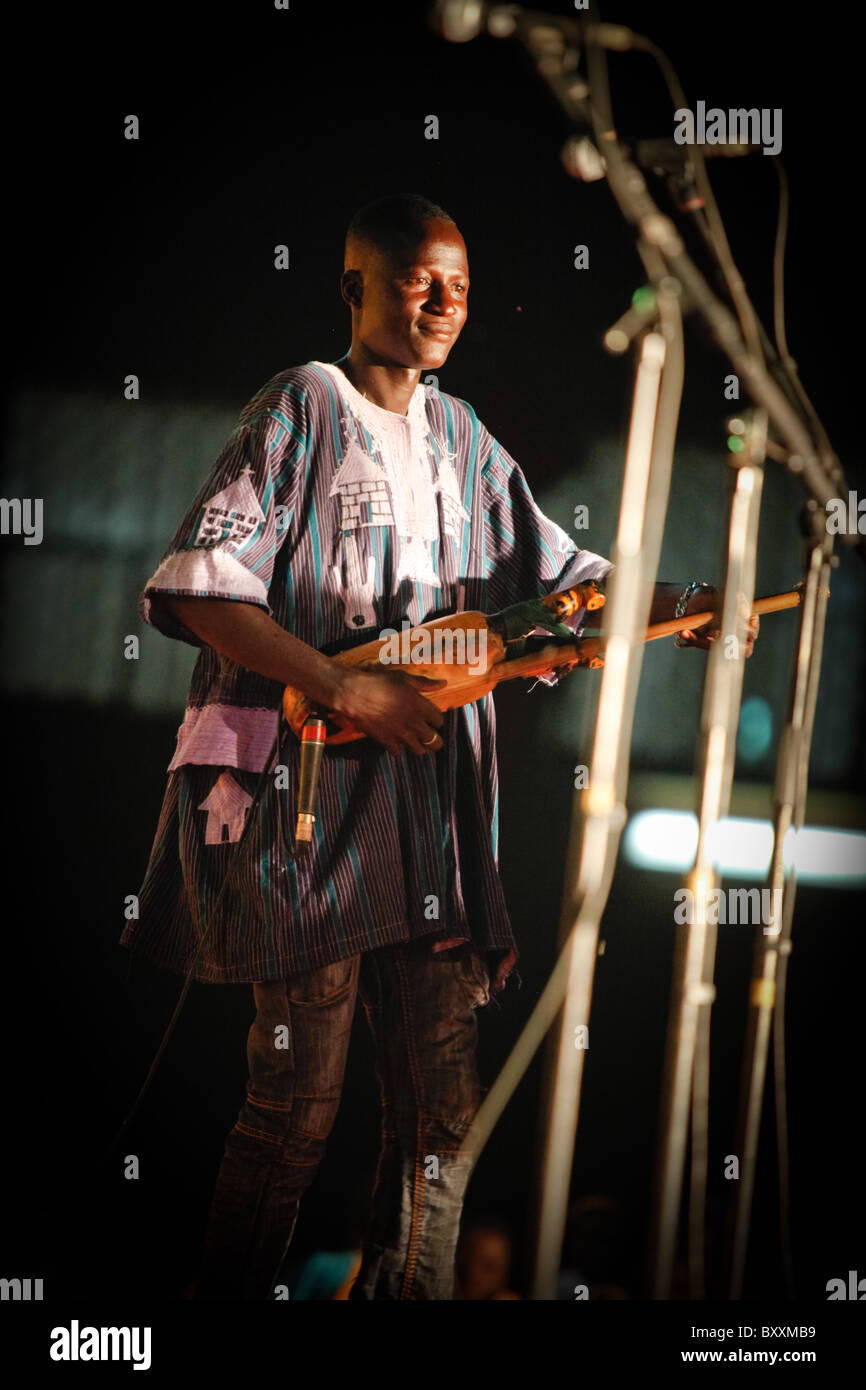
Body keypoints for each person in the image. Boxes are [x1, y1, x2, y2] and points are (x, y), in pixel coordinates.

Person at [119, 193, 758, 1301]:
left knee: (439, 1119)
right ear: (354, 286)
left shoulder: (462, 437)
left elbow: (568, 590)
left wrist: (690, 602)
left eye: (457, 284)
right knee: (293, 1107)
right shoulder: (299, 405)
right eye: (417, 278)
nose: (441, 301)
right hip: (307, 802)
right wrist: (340, 685)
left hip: (428, 816)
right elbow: (197, 587)